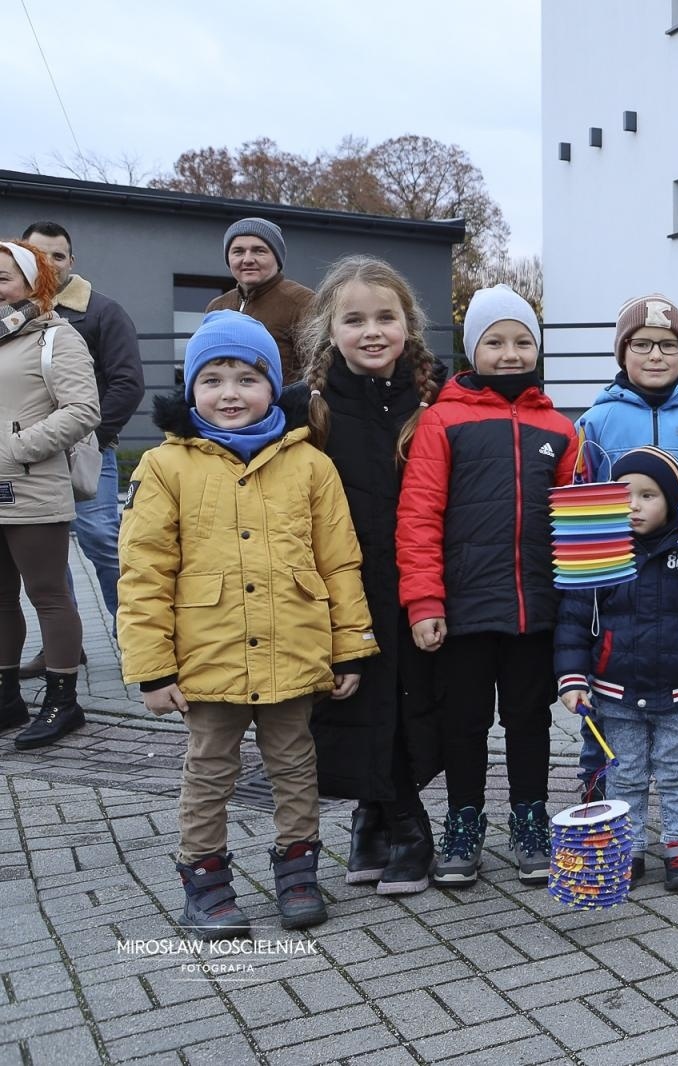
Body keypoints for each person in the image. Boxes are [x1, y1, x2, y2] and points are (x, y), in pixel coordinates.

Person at [118, 309, 375, 938]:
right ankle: (204, 883)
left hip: (293, 651)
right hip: (208, 656)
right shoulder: (164, 466)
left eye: (245, 378)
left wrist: (350, 649)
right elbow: (144, 570)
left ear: (272, 385)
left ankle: (297, 872)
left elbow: (339, 561)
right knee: (209, 771)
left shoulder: (310, 464)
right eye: (212, 380)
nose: (229, 394)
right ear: (190, 390)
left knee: (295, 766)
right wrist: (153, 669)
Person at [397, 284, 576, 888]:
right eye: (495, 341)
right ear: (473, 349)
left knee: (531, 720)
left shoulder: (558, 428)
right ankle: (465, 821)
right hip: (465, 610)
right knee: (464, 722)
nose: (509, 352)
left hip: (536, 609)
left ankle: (530, 819)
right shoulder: (441, 421)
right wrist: (424, 600)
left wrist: (577, 600)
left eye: (523, 341)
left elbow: (575, 521)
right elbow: (419, 517)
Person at [286, 256, 444, 895]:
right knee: (354, 702)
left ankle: (384, 815)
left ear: (410, 325)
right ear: (330, 329)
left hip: (415, 583)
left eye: (387, 317)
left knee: (411, 704)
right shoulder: (310, 409)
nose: (372, 331)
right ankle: (393, 819)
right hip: (342, 586)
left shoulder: (434, 401)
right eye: (354, 319)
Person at [572, 292, 678, 853]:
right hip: (614, 577)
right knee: (606, 688)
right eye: (642, 345)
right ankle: (598, 790)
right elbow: (580, 496)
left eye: (668, 346)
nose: (656, 355)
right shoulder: (596, 419)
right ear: (623, 353)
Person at [554, 446, 678, 891]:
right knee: (626, 773)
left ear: (673, 501)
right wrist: (572, 678)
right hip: (615, 691)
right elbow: (572, 622)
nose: (635, 505)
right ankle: (631, 848)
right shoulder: (599, 553)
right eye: (624, 495)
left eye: (648, 495)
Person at [20, 221, 144, 644]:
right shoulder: (13, 314)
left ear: (72, 261)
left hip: (87, 450)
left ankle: (133, 640)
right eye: (40, 254)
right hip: (28, 455)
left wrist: (87, 434)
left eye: (59, 255)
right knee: (47, 553)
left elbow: (128, 383)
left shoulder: (103, 312)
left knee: (101, 540)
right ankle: (66, 647)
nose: (50, 263)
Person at [0, 240, 100, 749]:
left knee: (48, 595)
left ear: (31, 282)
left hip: (33, 486)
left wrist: (19, 447)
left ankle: (63, 701)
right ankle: (7, 699)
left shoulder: (55, 337)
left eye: (1, 278)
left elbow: (83, 408)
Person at [205, 217, 314, 384]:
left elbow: (317, 373)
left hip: (282, 408)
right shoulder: (217, 307)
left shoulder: (303, 303)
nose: (247, 259)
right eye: (238, 251)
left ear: (277, 259)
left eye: (259, 250)